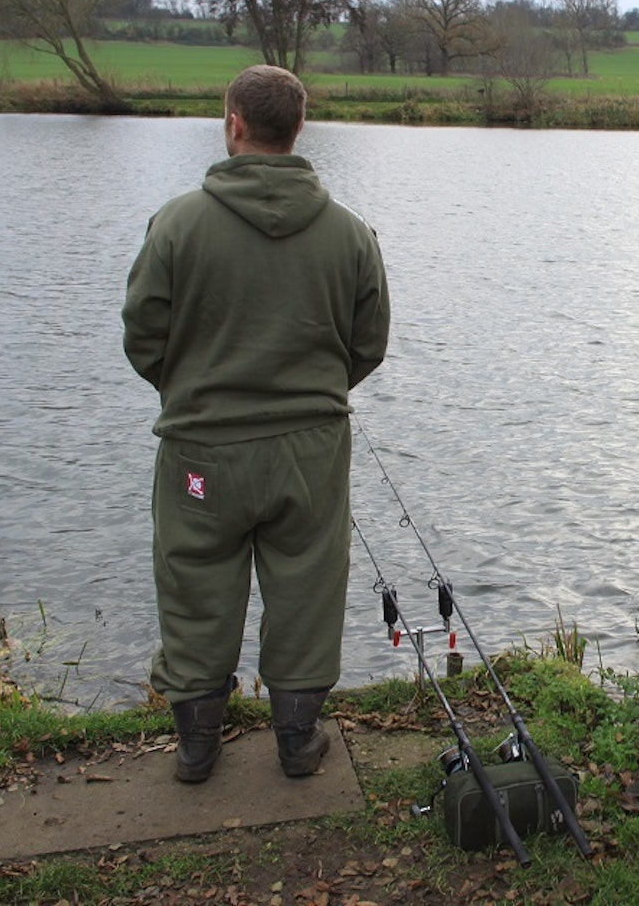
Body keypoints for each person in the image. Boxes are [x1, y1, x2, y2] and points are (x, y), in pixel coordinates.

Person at [122, 64, 390, 783]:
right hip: (310, 450)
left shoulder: (176, 223)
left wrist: (189, 392)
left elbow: (141, 335)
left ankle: (196, 748)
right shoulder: (351, 234)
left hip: (201, 453)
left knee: (194, 584)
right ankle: (298, 745)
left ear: (233, 123)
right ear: (298, 127)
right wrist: (310, 397)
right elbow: (369, 344)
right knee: (307, 585)